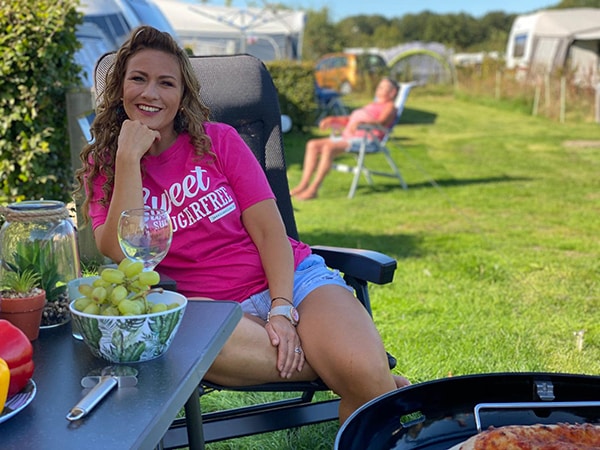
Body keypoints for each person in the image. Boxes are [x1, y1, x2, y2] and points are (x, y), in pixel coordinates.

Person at [74, 26, 410, 424]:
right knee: (361, 377)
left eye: (166, 82)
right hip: (210, 313)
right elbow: (119, 250)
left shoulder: (218, 140)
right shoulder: (105, 163)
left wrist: (281, 308)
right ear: (120, 89)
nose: (151, 93)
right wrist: (128, 158)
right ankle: (366, 374)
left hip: (293, 282)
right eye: (138, 79)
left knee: (362, 378)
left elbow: (269, 231)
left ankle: (363, 374)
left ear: (182, 95)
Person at [290, 77, 400, 200]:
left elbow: (382, 122)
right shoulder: (372, 105)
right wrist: (332, 119)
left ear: (392, 92)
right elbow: (349, 120)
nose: (378, 89)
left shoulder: (390, 107)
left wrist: (362, 123)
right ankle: (303, 185)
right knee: (312, 144)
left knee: (328, 147)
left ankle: (313, 189)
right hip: (349, 137)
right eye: (379, 87)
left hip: (367, 140)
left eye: (382, 87)